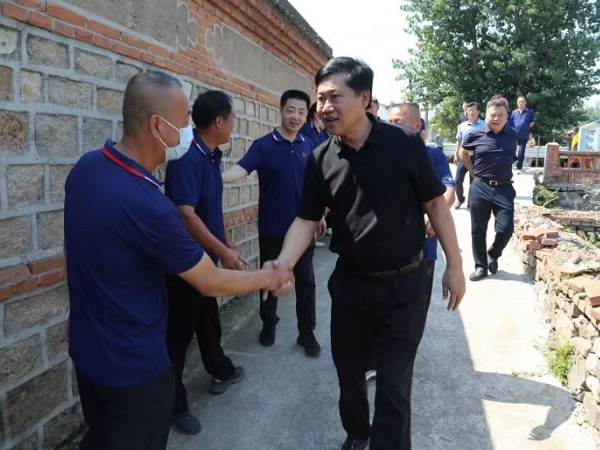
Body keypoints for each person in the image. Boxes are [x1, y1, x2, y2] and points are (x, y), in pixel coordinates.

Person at [64, 70, 293, 450]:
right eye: (185, 119)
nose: (189, 128)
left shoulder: (86, 168)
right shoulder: (148, 204)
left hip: (88, 357)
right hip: (135, 371)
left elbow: (79, 251)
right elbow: (209, 281)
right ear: (158, 126)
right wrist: (269, 276)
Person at [264, 57, 465, 450]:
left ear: (364, 97)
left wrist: (454, 265)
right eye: (320, 99)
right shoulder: (321, 158)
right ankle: (357, 434)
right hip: (352, 286)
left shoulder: (404, 143)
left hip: (405, 286)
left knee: (393, 385)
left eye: (334, 97)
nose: (324, 107)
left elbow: (436, 204)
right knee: (349, 373)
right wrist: (283, 263)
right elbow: (306, 220)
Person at [164, 91, 245, 435]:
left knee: (208, 320)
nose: (234, 123)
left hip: (205, 262)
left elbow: (212, 207)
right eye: (233, 117)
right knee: (177, 338)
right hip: (185, 265)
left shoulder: (211, 155)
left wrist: (226, 243)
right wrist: (223, 253)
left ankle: (220, 369)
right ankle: (174, 406)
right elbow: (186, 214)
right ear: (219, 121)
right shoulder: (187, 156)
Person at [223, 90, 326, 357]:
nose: (296, 117)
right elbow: (240, 169)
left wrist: (320, 215)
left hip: (303, 229)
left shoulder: (309, 146)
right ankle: (269, 323)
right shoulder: (263, 145)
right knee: (268, 278)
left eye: (301, 112)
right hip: (271, 226)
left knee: (306, 281)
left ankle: (307, 332)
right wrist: (215, 177)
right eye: (291, 110)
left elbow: (315, 186)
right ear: (281, 110)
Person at [388, 103, 456, 298]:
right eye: (389, 123)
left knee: (415, 306)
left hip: (422, 247)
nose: (392, 127)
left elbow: (448, 190)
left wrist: (434, 217)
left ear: (417, 125)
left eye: (398, 122)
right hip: (385, 249)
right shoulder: (378, 156)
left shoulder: (432, 156)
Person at [458, 98, 518, 281]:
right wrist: (473, 172)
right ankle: (480, 266)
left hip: (504, 188)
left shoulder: (512, 134)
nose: (496, 118)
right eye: (493, 115)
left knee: (506, 229)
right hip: (480, 187)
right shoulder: (475, 133)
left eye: (500, 115)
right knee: (478, 230)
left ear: (507, 116)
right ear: (486, 116)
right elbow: (463, 153)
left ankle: (493, 253)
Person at [453, 102, 485, 210]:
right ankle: (460, 198)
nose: (471, 112)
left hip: (476, 157)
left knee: (474, 181)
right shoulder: (461, 126)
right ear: (466, 112)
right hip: (463, 157)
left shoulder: (484, 125)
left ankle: (471, 202)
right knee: (458, 180)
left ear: (478, 112)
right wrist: (456, 154)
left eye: (473, 110)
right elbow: (458, 141)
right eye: (469, 110)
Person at [510, 96, 536, 173]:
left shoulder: (529, 112)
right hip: (514, 135)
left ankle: (519, 167)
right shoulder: (514, 112)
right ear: (517, 103)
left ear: (525, 102)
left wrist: (527, 127)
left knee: (521, 152)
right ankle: (513, 160)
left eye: (522, 101)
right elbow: (511, 122)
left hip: (524, 135)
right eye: (519, 102)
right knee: (511, 150)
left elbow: (533, 121)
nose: (520, 103)